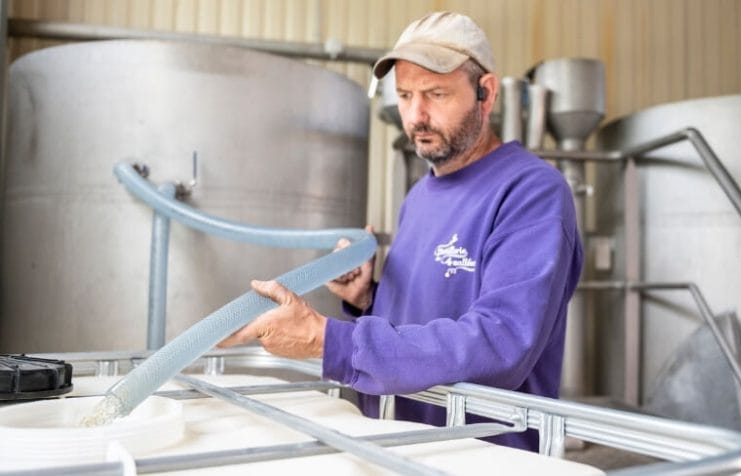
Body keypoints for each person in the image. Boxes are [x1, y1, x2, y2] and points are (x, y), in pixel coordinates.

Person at [219, 11, 583, 452]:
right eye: (406, 95)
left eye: (435, 94)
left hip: (482, 457)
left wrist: (328, 340)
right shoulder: (420, 195)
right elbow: (421, 315)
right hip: (397, 447)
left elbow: (500, 345)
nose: (416, 115)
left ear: (485, 94)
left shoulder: (532, 193)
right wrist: (366, 298)